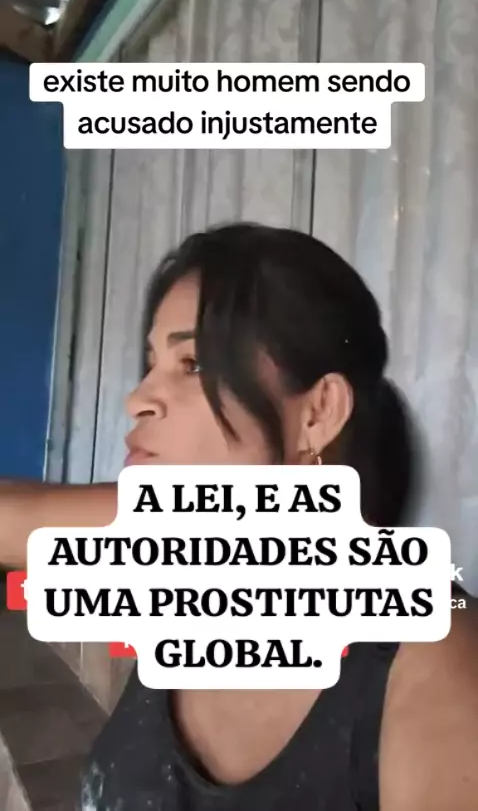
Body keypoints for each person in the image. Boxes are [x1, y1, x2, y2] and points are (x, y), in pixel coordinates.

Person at [1, 222, 477, 811]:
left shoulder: (434, 656)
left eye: (193, 364)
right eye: (151, 364)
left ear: (318, 412)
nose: (138, 398)